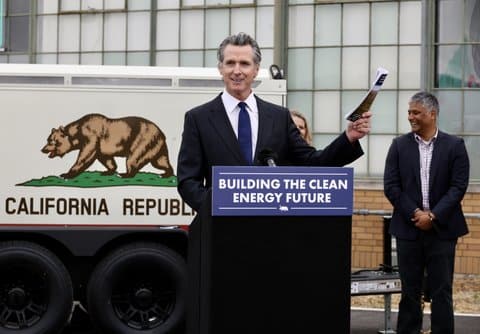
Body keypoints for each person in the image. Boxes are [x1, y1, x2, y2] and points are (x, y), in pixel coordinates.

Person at [176, 32, 372, 333]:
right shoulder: (199, 118)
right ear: (220, 68)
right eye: (230, 63)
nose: (236, 70)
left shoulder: (278, 117)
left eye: (244, 63)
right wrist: (217, 210)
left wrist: (348, 139)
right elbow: (187, 180)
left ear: (257, 70)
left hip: (272, 243)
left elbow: (313, 163)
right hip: (220, 244)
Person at [384, 91, 470, 334]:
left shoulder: (455, 146)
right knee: (410, 291)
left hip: (442, 230)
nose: (410, 117)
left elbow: (458, 186)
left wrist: (433, 216)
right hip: (408, 229)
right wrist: (415, 213)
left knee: (442, 290)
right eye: (409, 112)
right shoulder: (398, 146)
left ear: (432, 114)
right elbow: (391, 186)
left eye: (416, 112)